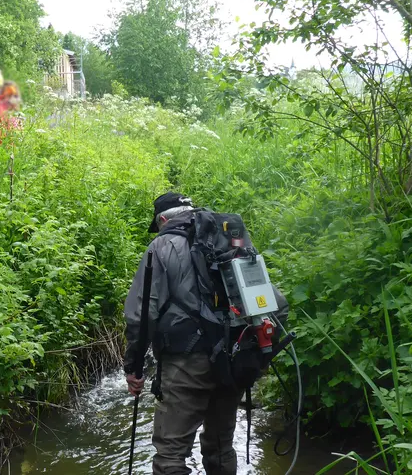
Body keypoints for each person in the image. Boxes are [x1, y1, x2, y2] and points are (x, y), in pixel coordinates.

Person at [124, 192, 290, 475]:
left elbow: (142, 314)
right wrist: (257, 354)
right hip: (233, 360)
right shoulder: (230, 240)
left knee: (171, 454)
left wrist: (133, 367)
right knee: (221, 446)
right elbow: (278, 306)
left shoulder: (161, 245)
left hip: (186, 363)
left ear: (163, 219)